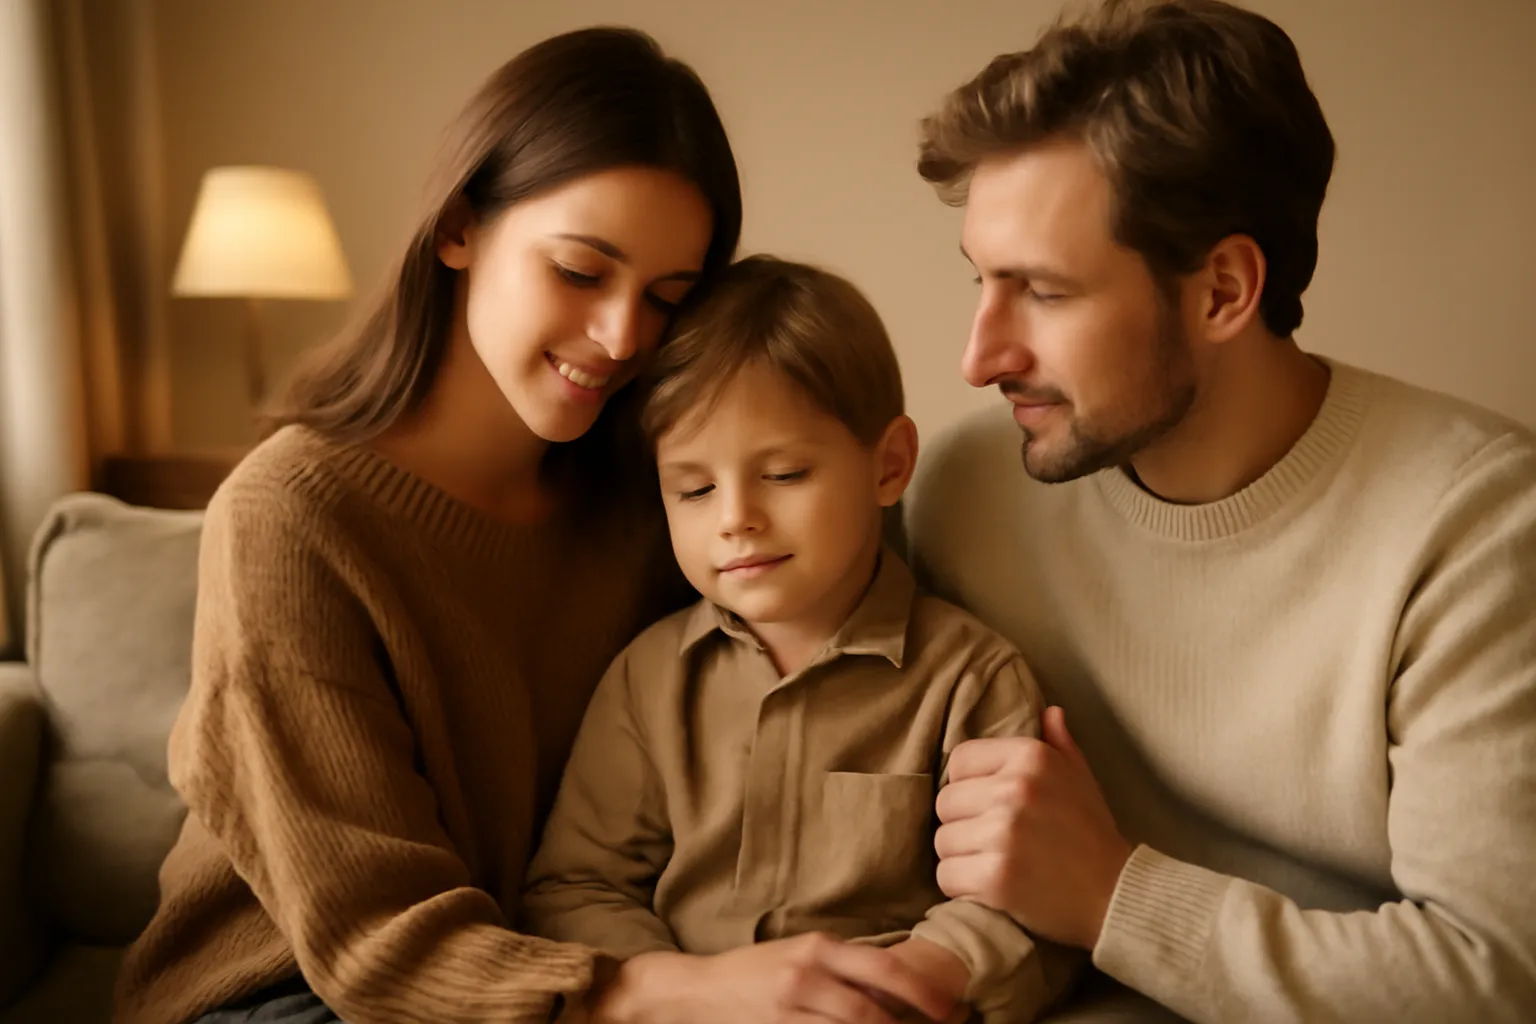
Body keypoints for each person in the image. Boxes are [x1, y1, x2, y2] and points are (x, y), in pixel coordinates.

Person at [114, 28, 948, 1024]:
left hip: (566, 968)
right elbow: (376, 945)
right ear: (459, 228)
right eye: (582, 272)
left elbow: (834, 642)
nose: (621, 337)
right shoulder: (289, 515)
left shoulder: (661, 502)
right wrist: (676, 990)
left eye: (666, 300)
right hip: (297, 991)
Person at [901, 0, 1536, 1021]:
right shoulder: (968, 491)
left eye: (1044, 293)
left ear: (1224, 290)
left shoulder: (1479, 527)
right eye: (980, 281)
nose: (979, 357)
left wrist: (1114, 893)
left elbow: (1495, 977)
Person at [521, 255, 1081, 1024]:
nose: (734, 517)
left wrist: (921, 974)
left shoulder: (971, 679)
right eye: (693, 489)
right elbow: (577, 888)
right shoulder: (649, 679)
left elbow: (1027, 905)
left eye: (783, 474)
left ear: (888, 466)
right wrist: (684, 994)